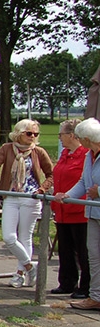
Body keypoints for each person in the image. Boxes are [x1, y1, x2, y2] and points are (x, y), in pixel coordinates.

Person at [0, 118, 54, 288]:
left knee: (25, 237)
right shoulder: (7, 149)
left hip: (31, 199)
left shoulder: (39, 152)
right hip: (10, 196)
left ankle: (19, 274)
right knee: (9, 237)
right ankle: (30, 266)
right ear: (19, 133)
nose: (33, 137)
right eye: (29, 133)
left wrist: (42, 190)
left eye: (36, 134)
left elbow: (51, 174)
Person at [55, 118, 100, 310]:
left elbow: (94, 187)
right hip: (93, 212)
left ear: (89, 138)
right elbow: (84, 182)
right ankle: (95, 296)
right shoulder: (89, 156)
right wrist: (67, 195)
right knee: (94, 255)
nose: (80, 141)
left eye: (82, 138)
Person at [49, 119, 89, 298]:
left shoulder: (86, 155)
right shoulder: (65, 154)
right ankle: (67, 282)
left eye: (61, 134)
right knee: (65, 249)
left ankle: (86, 286)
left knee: (83, 251)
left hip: (79, 212)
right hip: (62, 211)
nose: (60, 138)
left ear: (72, 135)